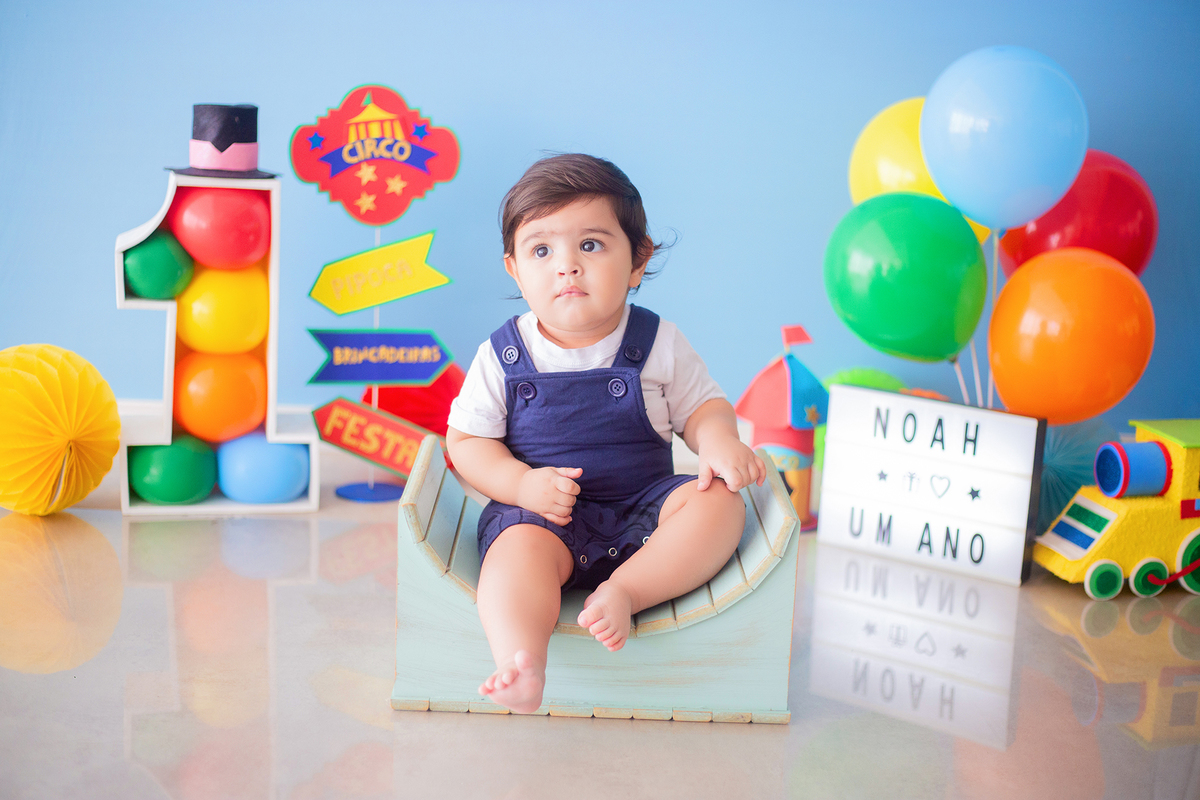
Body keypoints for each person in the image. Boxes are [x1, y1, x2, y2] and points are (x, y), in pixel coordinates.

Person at [446, 154, 766, 714]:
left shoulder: (658, 341)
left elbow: (703, 406)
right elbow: (467, 443)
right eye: (542, 250)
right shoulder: (502, 354)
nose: (566, 266)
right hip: (544, 517)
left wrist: (716, 440)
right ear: (515, 270)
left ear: (638, 261)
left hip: (643, 510)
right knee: (513, 556)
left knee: (719, 502)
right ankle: (521, 662)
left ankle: (627, 591)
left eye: (590, 245)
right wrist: (520, 485)